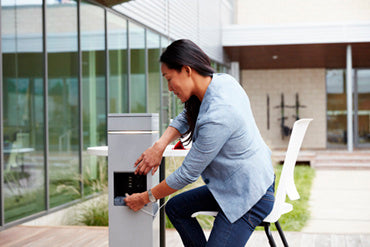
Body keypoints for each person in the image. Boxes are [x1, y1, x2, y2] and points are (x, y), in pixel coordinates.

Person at [124, 39, 275, 247]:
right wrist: (159, 146)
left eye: (169, 79)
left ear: (187, 70)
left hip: (250, 194)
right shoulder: (221, 82)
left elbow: (187, 174)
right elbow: (187, 115)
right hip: (231, 186)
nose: (169, 88)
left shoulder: (219, 114)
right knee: (176, 208)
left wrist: (145, 198)